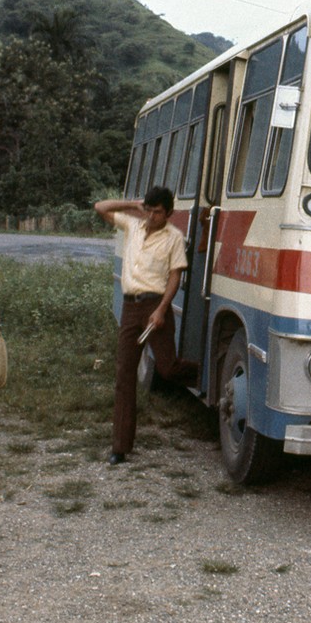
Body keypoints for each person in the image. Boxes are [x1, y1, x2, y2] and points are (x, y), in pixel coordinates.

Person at [95, 186, 198, 465]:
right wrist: (133, 204)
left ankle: (202, 375)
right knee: (124, 374)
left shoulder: (174, 238)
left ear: (169, 213)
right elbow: (100, 207)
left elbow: (175, 277)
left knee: (167, 368)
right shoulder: (133, 225)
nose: (152, 216)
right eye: (149, 210)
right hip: (131, 306)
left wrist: (162, 310)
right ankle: (120, 446)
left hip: (155, 305)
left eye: (158, 212)